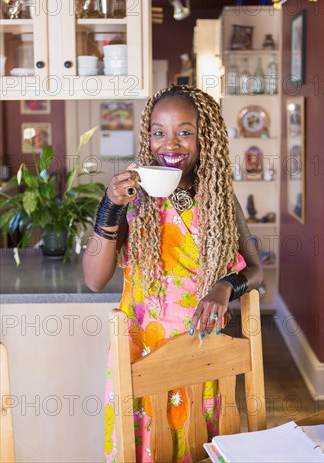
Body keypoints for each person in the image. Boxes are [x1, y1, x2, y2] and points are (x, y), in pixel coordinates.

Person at [83, 85, 263, 463]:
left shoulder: (219, 199)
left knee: (195, 444)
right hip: (140, 352)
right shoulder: (132, 197)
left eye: (185, 131)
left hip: (201, 351)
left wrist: (224, 288)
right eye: (158, 131)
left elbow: (257, 270)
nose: (171, 143)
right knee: (144, 446)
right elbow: (94, 280)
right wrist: (109, 208)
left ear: (205, 137)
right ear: (148, 136)